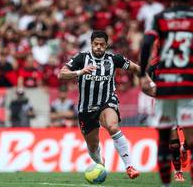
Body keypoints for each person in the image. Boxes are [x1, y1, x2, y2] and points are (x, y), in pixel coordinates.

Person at [58, 30, 145, 179]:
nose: (99, 47)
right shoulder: (81, 58)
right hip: (86, 108)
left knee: (112, 126)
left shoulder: (114, 59)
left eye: (102, 45)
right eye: (96, 44)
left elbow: (135, 68)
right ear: (91, 44)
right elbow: (61, 74)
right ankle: (100, 164)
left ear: (107, 45)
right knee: (92, 146)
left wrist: (147, 77)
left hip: (107, 102)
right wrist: (80, 72)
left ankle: (129, 166)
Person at [139, 0, 193, 186]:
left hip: (167, 89)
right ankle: (179, 171)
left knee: (164, 139)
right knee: (181, 137)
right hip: (188, 85)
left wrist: (141, 72)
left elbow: (146, 42)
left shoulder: (161, 17)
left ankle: (166, 183)